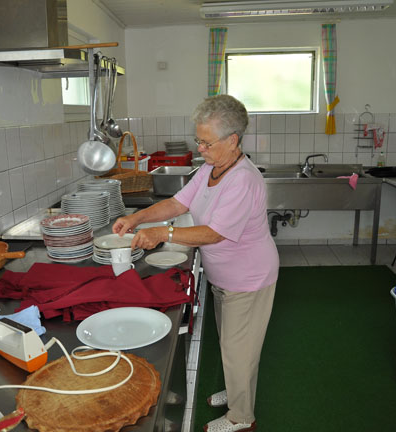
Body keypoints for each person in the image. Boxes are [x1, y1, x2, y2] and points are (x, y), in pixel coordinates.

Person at [112, 94, 279, 432]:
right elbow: (177, 203)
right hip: (226, 277)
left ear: (232, 140)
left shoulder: (242, 179)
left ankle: (241, 416)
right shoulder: (209, 169)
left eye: (206, 142)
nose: (200, 148)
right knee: (233, 345)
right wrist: (137, 218)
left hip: (248, 279)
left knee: (239, 349)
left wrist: (163, 233)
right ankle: (237, 389)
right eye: (198, 140)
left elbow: (215, 233)